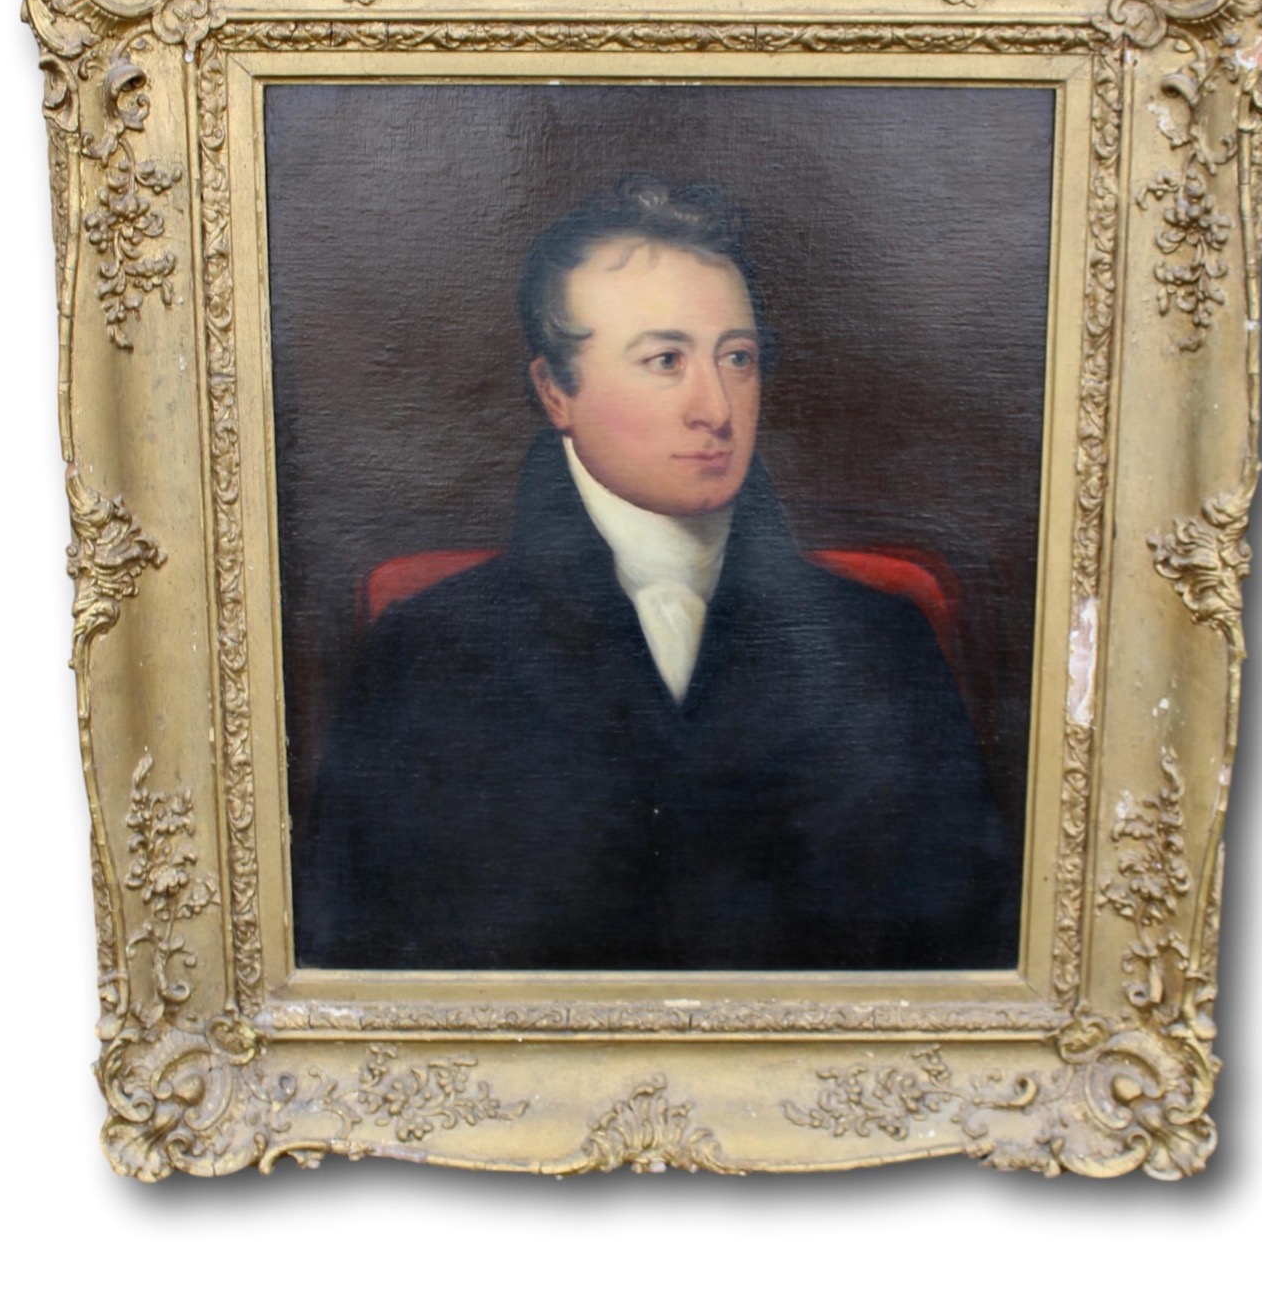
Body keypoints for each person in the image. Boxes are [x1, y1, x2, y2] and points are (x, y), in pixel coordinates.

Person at [294, 177, 1018, 971]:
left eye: (737, 358)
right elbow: (355, 969)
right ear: (555, 392)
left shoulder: (884, 645)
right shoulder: (422, 659)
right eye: (665, 360)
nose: (717, 408)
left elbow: (968, 962)